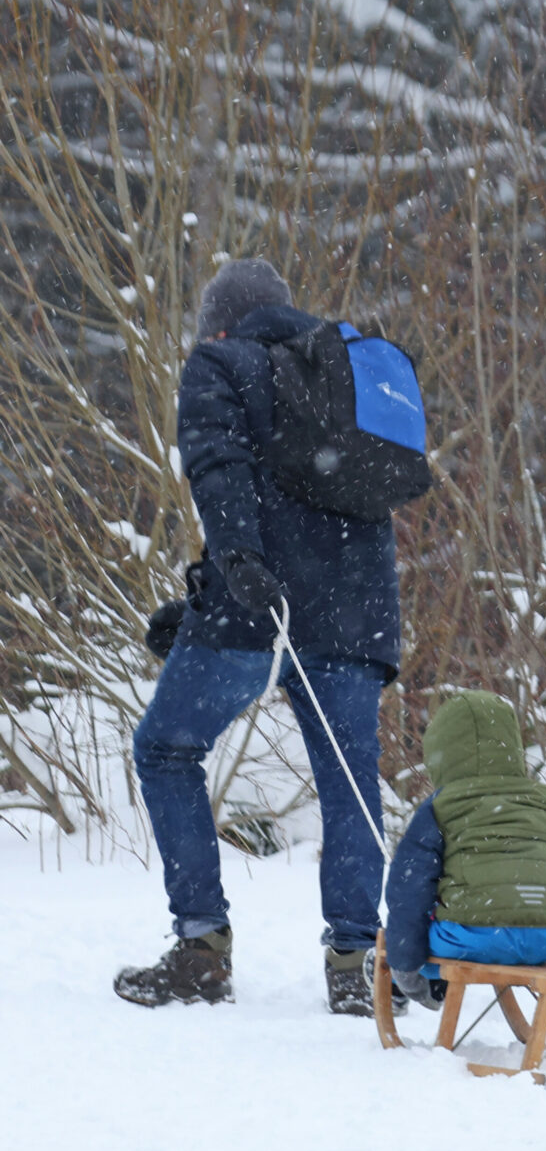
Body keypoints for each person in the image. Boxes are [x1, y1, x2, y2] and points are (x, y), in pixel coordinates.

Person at [116, 260, 401, 1014]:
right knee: (349, 782)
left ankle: (202, 948)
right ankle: (356, 965)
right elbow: (333, 507)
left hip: (257, 609)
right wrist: (206, 595)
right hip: (355, 617)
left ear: (220, 321)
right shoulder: (341, 376)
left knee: (166, 750)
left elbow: (221, 468)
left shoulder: (219, 362)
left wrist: (237, 563)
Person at [379, 691, 546, 1007]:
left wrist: (404, 963)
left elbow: (409, 888)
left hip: (468, 941)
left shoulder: (440, 807)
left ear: (441, 753)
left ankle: (423, 984)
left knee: (425, 922)